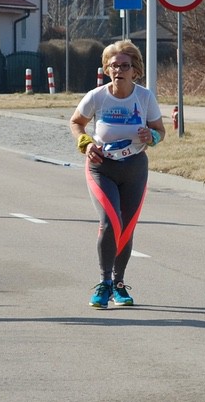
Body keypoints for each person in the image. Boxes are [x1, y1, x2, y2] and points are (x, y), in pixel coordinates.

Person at [69, 40, 165, 309]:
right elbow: (76, 122)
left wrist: (152, 136)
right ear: (106, 69)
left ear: (135, 70)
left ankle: (119, 284)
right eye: (113, 66)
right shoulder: (97, 96)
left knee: (127, 226)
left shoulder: (144, 97)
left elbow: (160, 130)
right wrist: (85, 143)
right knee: (111, 221)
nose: (118, 71)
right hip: (102, 167)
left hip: (134, 167)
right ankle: (104, 282)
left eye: (124, 66)